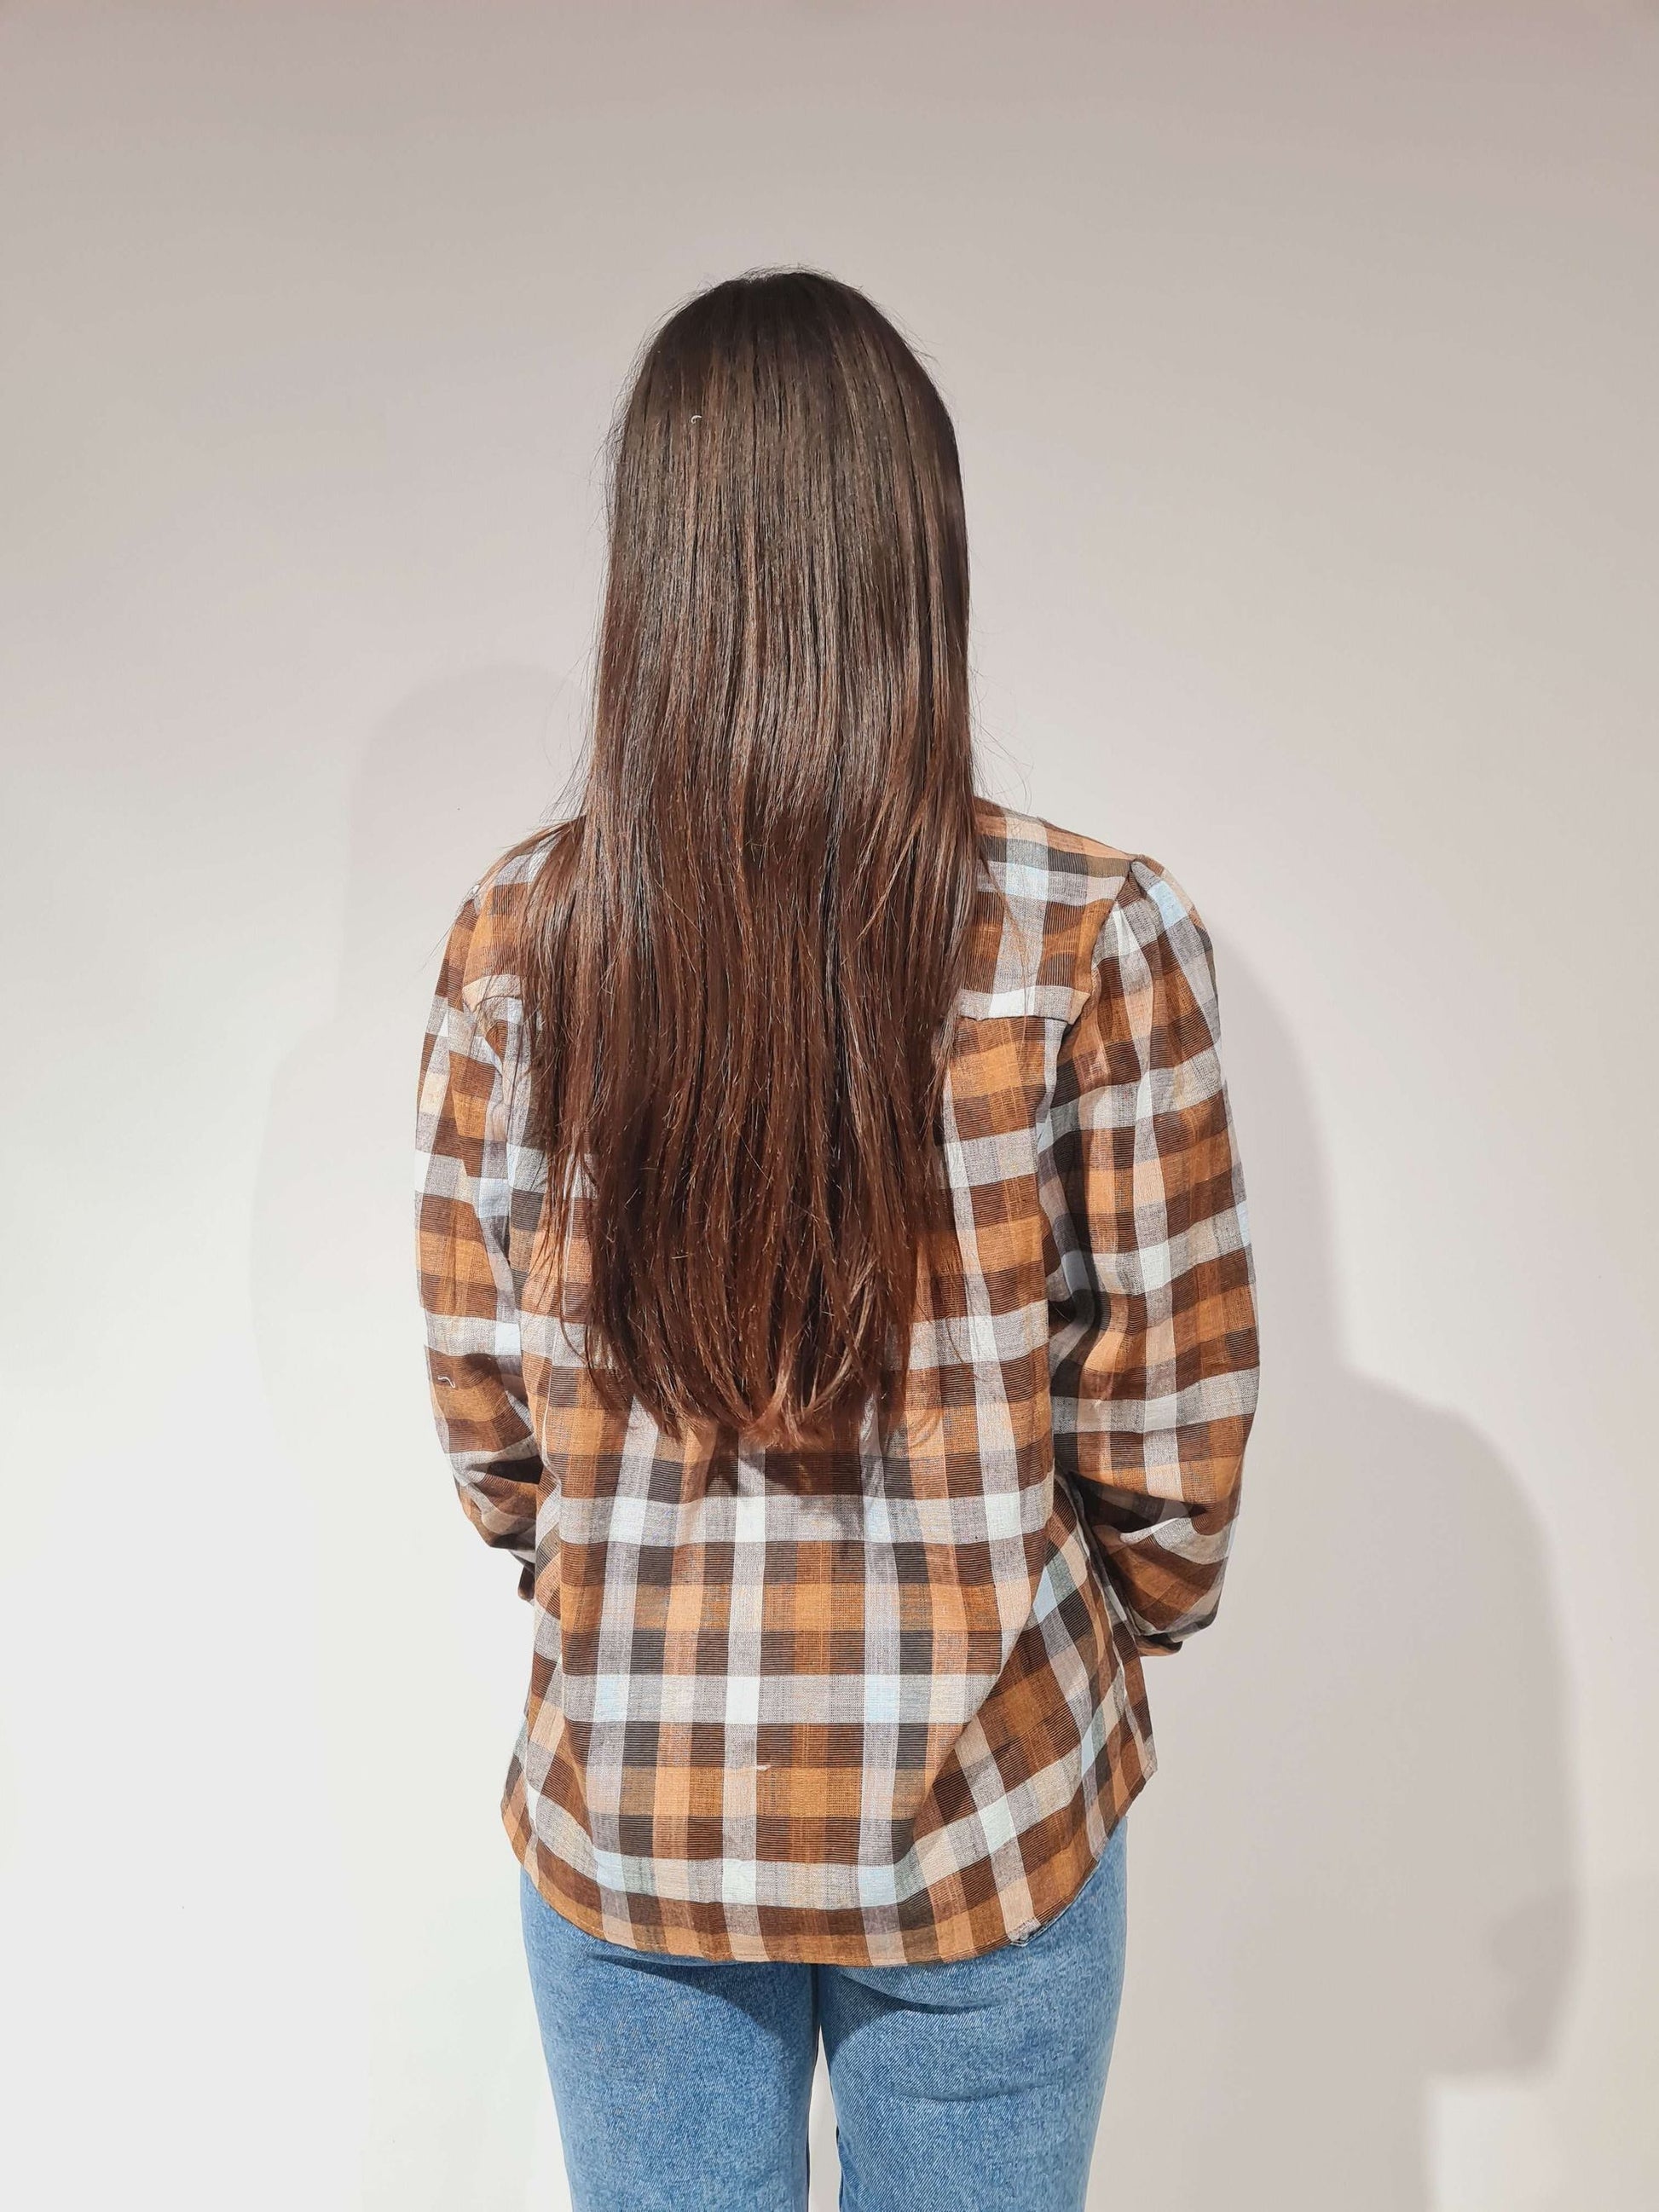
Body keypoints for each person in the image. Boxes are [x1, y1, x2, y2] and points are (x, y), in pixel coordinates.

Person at [413, 268, 1260, 2212]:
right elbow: (1173, 1444)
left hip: (634, 1817)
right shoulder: (1092, 935)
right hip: (988, 1811)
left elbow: (491, 1425)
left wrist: (626, 1580)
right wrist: (1079, 1619)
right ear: (915, 562)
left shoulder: (520, 943)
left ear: (656, 576)